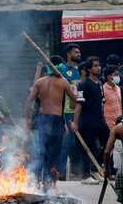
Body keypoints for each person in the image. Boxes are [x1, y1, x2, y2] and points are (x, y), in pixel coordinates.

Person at [24, 60, 77, 191]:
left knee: (42, 152)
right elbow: (75, 100)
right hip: (56, 119)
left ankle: (37, 181)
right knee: (54, 153)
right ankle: (49, 183)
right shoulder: (63, 82)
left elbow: (29, 101)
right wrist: (70, 119)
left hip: (42, 119)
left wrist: (27, 119)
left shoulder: (39, 82)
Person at [72, 57, 109, 185]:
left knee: (108, 143)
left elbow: (102, 103)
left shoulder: (100, 83)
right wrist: (75, 122)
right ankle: (85, 174)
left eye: (99, 65)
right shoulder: (83, 85)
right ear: (89, 69)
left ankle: (96, 169)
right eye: (95, 66)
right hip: (87, 121)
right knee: (88, 147)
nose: (98, 68)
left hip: (100, 120)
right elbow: (79, 104)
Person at [58, 43, 82, 180]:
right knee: (67, 142)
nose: (78, 54)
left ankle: (78, 171)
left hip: (81, 110)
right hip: (67, 111)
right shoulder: (62, 69)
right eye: (75, 52)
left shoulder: (82, 70)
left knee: (78, 143)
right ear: (68, 54)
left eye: (79, 52)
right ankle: (60, 172)